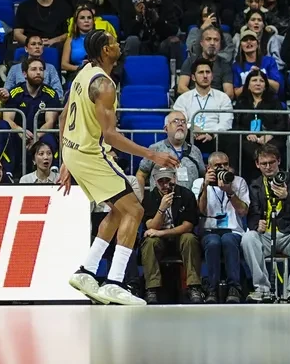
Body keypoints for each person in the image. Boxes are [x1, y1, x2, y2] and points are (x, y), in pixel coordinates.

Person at [59, 30, 180, 306]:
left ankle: (87, 272)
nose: (118, 46)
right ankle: (114, 282)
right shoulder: (105, 85)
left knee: (119, 210)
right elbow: (111, 136)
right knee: (135, 210)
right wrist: (154, 154)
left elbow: (65, 115)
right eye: (113, 43)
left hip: (74, 151)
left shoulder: (83, 72)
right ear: (104, 51)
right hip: (90, 153)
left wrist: (65, 159)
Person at [241, 143, 290, 303]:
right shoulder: (255, 185)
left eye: (271, 162)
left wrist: (287, 196)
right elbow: (252, 212)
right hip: (266, 234)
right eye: (264, 163)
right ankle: (262, 289)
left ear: (279, 161)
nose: (268, 167)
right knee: (248, 238)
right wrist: (255, 225)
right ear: (257, 164)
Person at [137, 166, 204, 303]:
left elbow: (188, 225)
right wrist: (162, 209)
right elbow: (150, 226)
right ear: (155, 181)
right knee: (149, 242)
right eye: (161, 181)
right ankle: (152, 289)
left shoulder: (186, 195)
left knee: (190, 238)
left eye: (168, 180)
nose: (165, 185)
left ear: (175, 178)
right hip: (159, 241)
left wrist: (161, 232)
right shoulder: (150, 197)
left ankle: (194, 287)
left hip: (180, 237)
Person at [194, 150, 249, 303]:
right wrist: (205, 186)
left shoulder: (239, 182)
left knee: (228, 240)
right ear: (208, 168)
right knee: (213, 242)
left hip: (233, 230)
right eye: (218, 166)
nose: (223, 168)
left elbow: (243, 211)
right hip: (209, 229)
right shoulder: (199, 183)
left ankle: (234, 288)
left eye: (226, 164)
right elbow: (200, 211)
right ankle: (211, 289)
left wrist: (229, 192)